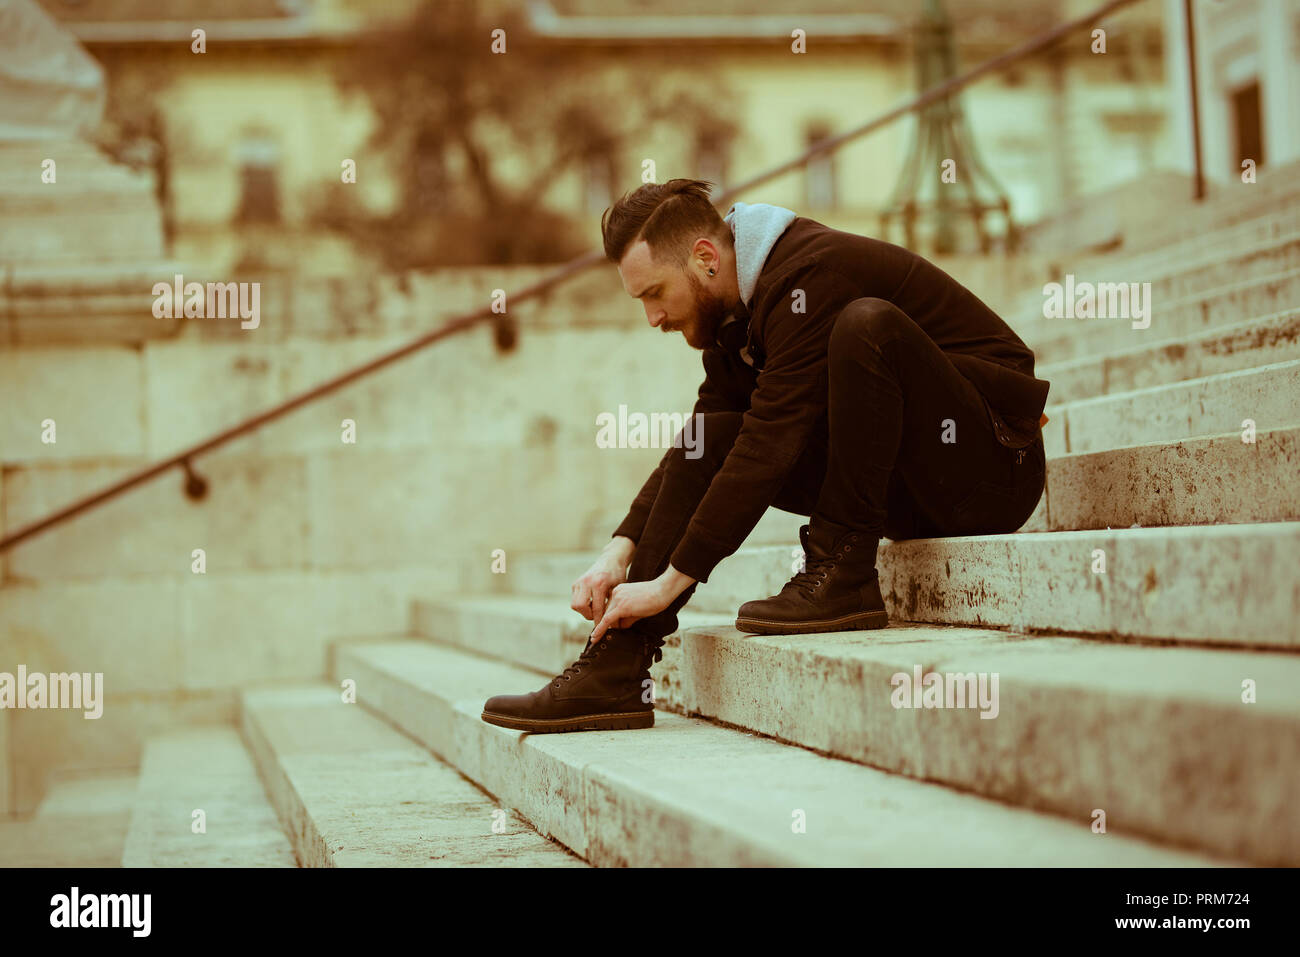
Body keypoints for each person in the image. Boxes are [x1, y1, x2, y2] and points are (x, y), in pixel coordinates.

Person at [481, 178, 1048, 733]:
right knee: (720, 429)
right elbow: (704, 437)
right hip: (910, 481)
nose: (653, 318)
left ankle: (842, 569)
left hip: (990, 470)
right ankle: (616, 667)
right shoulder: (735, 313)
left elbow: (771, 441)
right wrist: (618, 551)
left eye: (654, 293)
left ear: (706, 257)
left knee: (866, 325)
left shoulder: (809, 275)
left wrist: (667, 585)